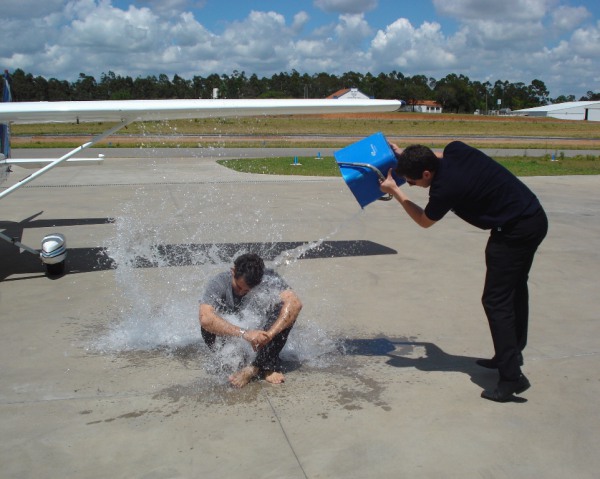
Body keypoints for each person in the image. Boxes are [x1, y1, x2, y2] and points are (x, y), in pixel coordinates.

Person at [379, 141, 548, 402]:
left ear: (426, 174)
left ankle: (512, 378)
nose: (410, 185)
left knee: (496, 301)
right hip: (533, 217)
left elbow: (424, 221)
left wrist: (397, 194)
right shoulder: (455, 150)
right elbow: (432, 157)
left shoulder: (445, 189)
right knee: (514, 290)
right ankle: (511, 353)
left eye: (411, 181)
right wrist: (405, 157)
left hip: (514, 232)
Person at [199, 253, 302, 388]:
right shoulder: (219, 282)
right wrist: (245, 333)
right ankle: (245, 362)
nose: (242, 293)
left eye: (248, 290)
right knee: (208, 324)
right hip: (232, 334)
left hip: (260, 338)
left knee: (284, 313)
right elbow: (205, 318)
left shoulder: (269, 278)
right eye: (239, 287)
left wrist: (269, 335)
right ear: (233, 271)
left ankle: (255, 367)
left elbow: (295, 304)